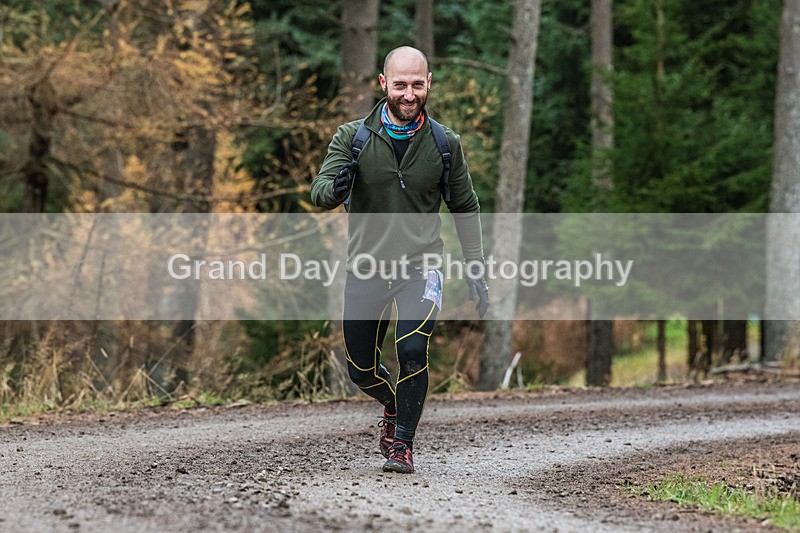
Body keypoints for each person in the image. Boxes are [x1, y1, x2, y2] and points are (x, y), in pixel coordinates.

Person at [311, 46, 489, 474]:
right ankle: (393, 405)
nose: (409, 94)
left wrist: (476, 266)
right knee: (361, 370)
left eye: (417, 85)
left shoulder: (445, 144)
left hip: (421, 267)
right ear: (383, 84)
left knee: (411, 349)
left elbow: (466, 206)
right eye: (400, 85)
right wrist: (337, 187)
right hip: (367, 267)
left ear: (428, 83)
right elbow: (319, 192)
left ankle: (402, 444)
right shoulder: (352, 138)